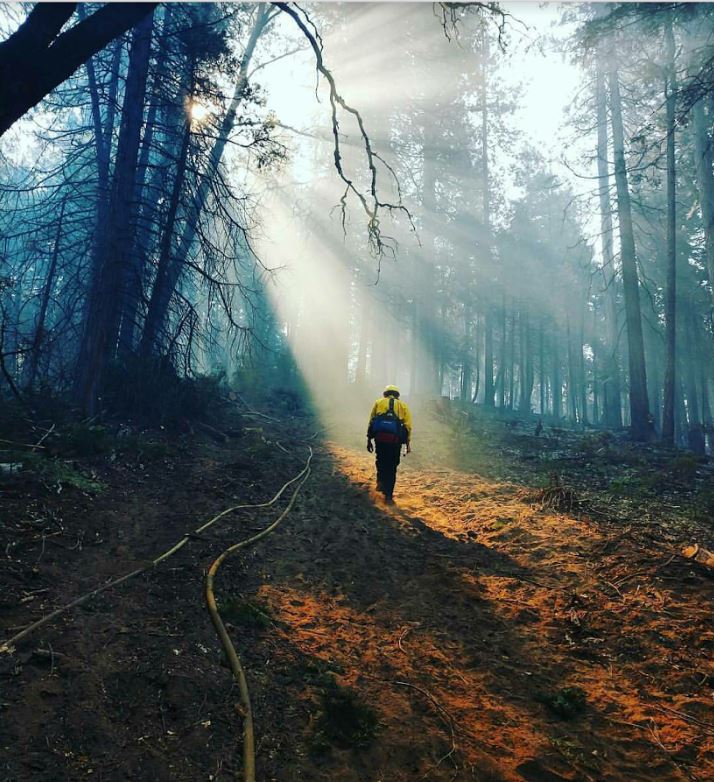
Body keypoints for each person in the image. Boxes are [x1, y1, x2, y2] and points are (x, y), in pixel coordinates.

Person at [367, 385, 412, 504]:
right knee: (392, 467)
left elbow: (372, 421)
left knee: (380, 460)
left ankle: (380, 483)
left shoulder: (378, 402)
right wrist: (407, 444)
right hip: (395, 442)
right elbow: (408, 426)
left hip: (380, 439)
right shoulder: (403, 406)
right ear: (397, 395)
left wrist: (369, 440)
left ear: (385, 393)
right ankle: (388, 496)